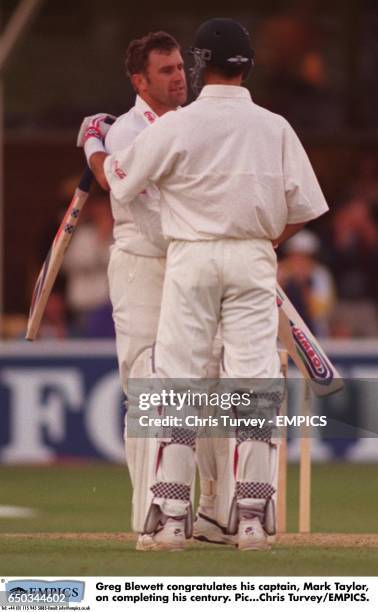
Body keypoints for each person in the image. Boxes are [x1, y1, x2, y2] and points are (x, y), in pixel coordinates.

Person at [81, 18, 329, 551]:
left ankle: (171, 519)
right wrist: (261, 239)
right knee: (254, 388)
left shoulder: (178, 124)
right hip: (251, 259)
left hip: (190, 258)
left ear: (199, 64)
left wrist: (94, 146)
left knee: (176, 384)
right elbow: (306, 207)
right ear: (249, 66)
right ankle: (253, 522)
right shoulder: (276, 126)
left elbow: (120, 183)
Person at [78, 31, 187, 549]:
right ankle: (152, 514)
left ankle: (203, 513)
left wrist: (91, 146)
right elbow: (135, 200)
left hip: (192, 268)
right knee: (147, 388)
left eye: (181, 66)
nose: (179, 76)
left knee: (200, 388)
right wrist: (100, 147)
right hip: (143, 266)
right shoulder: (125, 131)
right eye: (165, 70)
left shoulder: (195, 125)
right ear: (139, 81)